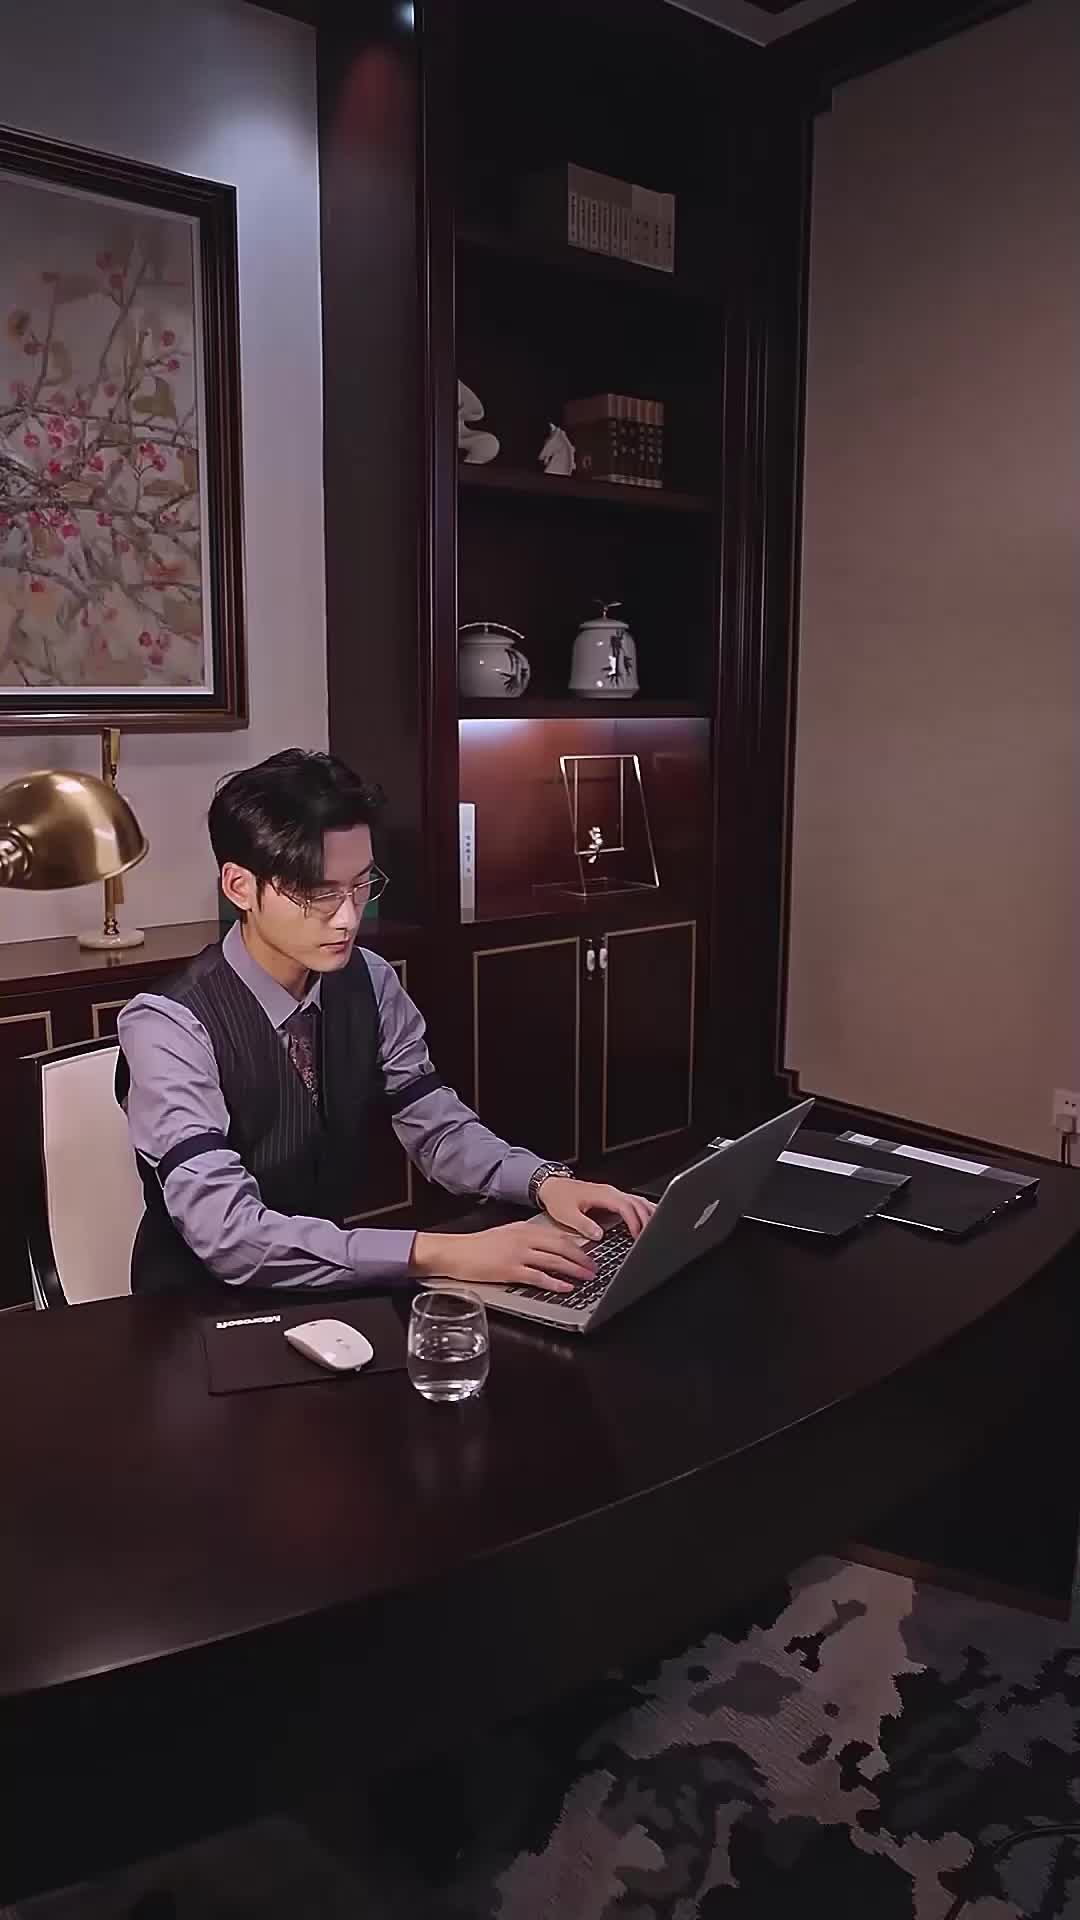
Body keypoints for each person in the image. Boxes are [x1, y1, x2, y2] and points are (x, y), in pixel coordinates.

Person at [116, 748, 653, 1296]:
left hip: (330, 1289)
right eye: (318, 892)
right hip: (195, 1308)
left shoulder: (369, 980)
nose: (348, 917)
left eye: (360, 884)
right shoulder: (168, 1026)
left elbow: (437, 1128)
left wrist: (543, 1182)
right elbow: (228, 1235)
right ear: (239, 887)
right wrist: (442, 1251)